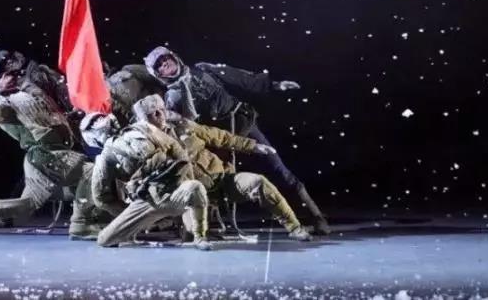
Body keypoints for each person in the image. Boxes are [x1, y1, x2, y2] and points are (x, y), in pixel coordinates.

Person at [144, 46, 330, 235]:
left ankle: (316, 216)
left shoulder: (204, 69)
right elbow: (181, 126)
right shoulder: (172, 98)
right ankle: (194, 226)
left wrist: (275, 85)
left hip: (243, 126)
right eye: (159, 65)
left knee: (278, 169)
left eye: (165, 59)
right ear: (158, 74)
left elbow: (238, 77)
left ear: (174, 57)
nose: (165, 64)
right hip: (218, 141)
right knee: (214, 182)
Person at [0, 70, 100, 234]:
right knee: (91, 173)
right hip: (47, 156)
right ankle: (82, 224)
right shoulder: (13, 102)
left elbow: (56, 121)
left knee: (25, 206)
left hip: (42, 160)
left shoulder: (41, 99)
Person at [158, 105, 311, 241]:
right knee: (193, 234)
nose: (161, 116)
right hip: (192, 195)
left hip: (222, 180)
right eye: (155, 114)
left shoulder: (186, 128)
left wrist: (253, 146)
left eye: (162, 111)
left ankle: (295, 228)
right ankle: (184, 227)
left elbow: (222, 137)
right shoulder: (151, 143)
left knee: (258, 182)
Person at [84, 96, 212, 250]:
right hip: (146, 199)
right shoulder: (106, 157)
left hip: (171, 189)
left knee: (195, 188)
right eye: (95, 123)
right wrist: (128, 213)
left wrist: (182, 178)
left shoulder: (144, 129)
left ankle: (198, 236)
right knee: (104, 239)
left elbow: (177, 150)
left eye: (99, 120)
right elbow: (101, 197)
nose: (101, 123)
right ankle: (189, 231)